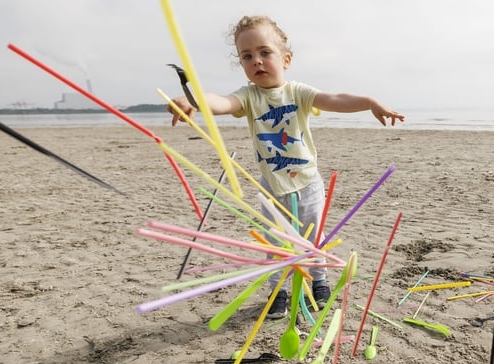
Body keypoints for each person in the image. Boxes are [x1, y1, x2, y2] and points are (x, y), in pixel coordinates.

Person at [169, 15, 405, 320]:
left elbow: (334, 98)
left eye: (265, 52)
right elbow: (222, 103)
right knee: (276, 243)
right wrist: (195, 100)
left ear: (286, 59)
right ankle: (278, 289)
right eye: (247, 56)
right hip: (271, 188)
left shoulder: (298, 92)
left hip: (308, 184)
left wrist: (369, 101)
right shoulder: (249, 96)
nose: (257, 61)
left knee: (313, 239)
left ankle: (318, 281)